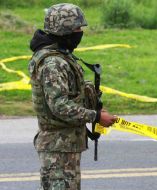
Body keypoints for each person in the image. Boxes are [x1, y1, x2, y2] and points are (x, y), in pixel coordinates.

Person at [28, 3, 117, 190]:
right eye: (76, 28)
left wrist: (93, 107)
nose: (80, 32)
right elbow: (60, 106)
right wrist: (96, 117)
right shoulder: (53, 63)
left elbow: (71, 94)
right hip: (58, 148)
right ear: (64, 30)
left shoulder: (60, 55)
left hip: (63, 144)